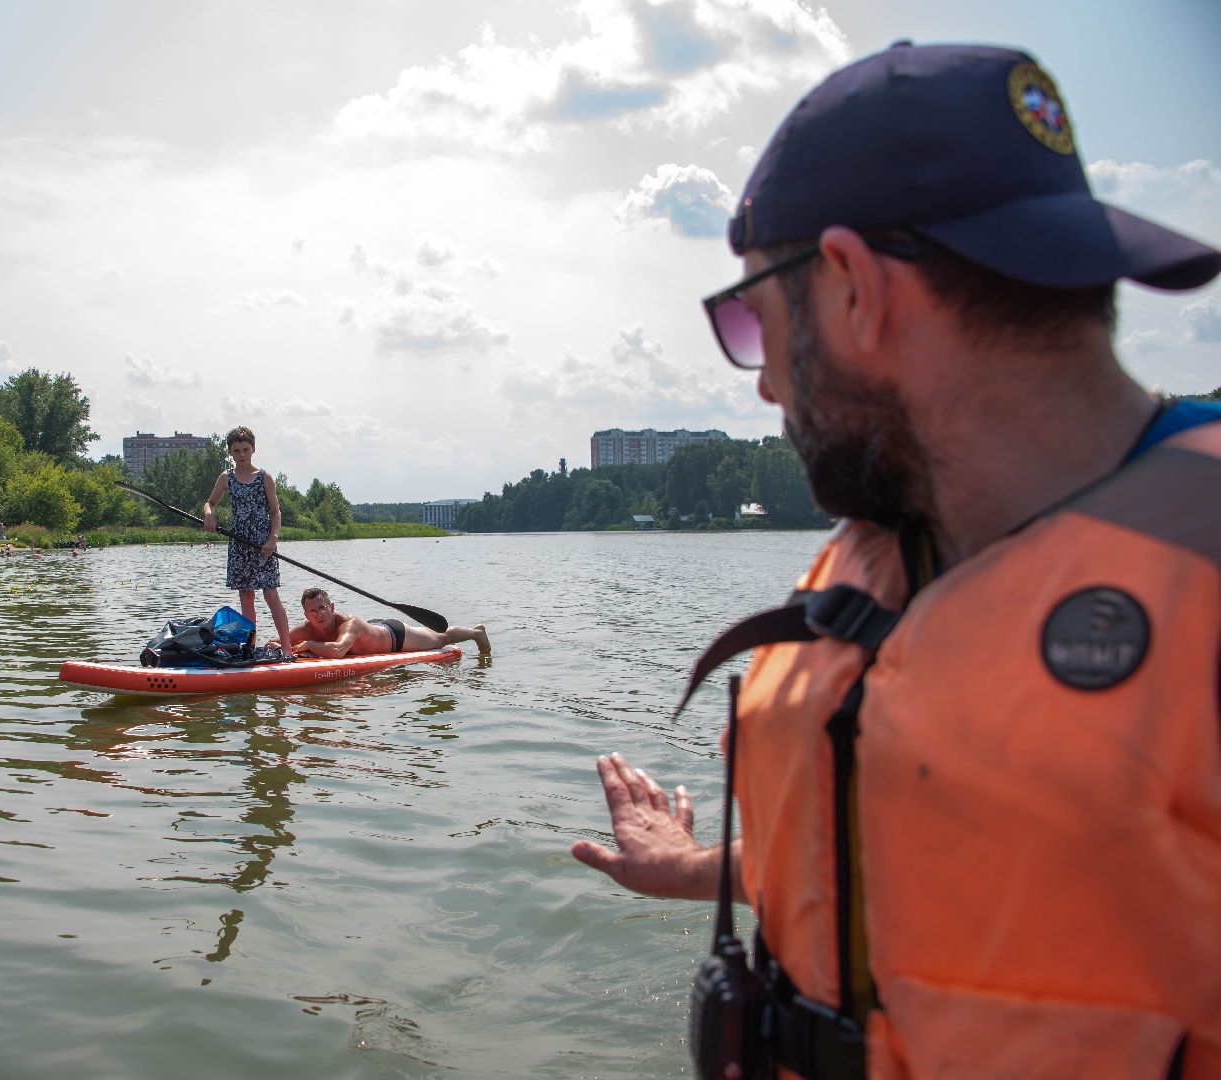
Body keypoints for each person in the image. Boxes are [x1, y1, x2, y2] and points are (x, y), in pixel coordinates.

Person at [569, 42, 1221, 1079]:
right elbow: (938, 854)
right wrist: (691, 868)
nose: (761, 386)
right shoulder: (880, 553)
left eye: (752, 320)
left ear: (853, 287)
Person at [203, 426, 293, 656]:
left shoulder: (264, 477)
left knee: (271, 595)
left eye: (245, 449)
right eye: (236, 450)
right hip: (240, 544)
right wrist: (209, 514)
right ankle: (250, 648)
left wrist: (273, 539)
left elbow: (276, 513)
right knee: (246, 596)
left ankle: (288, 648)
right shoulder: (226, 478)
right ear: (230, 452)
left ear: (253, 449)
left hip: (263, 545)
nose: (241, 454)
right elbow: (210, 503)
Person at [287, 587, 489, 657]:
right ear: (306, 615)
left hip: (394, 636)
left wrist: (310, 645)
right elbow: (275, 642)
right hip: (372, 628)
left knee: (442, 638)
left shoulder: (349, 623)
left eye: (322, 608)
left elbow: (338, 650)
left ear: (332, 608)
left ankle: (476, 633)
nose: (318, 614)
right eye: (312, 611)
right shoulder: (306, 627)